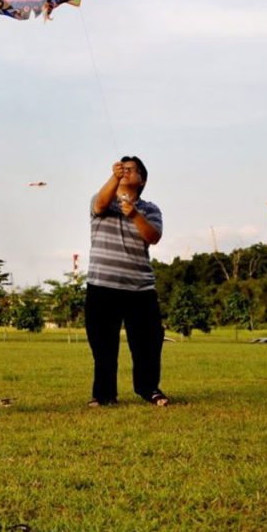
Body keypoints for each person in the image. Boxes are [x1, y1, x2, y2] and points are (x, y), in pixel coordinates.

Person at [86, 156, 169, 407]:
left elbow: (153, 237)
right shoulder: (102, 200)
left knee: (148, 345)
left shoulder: (150, 209)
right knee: (103, 347)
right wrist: (114, 178)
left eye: (131, 169)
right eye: (122, 168)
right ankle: (104, 396)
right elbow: (100, 205)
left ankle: (149, 390)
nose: (125, 171)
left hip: (140, 287)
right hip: (103, 285)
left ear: (141, 179)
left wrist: (133, 214)